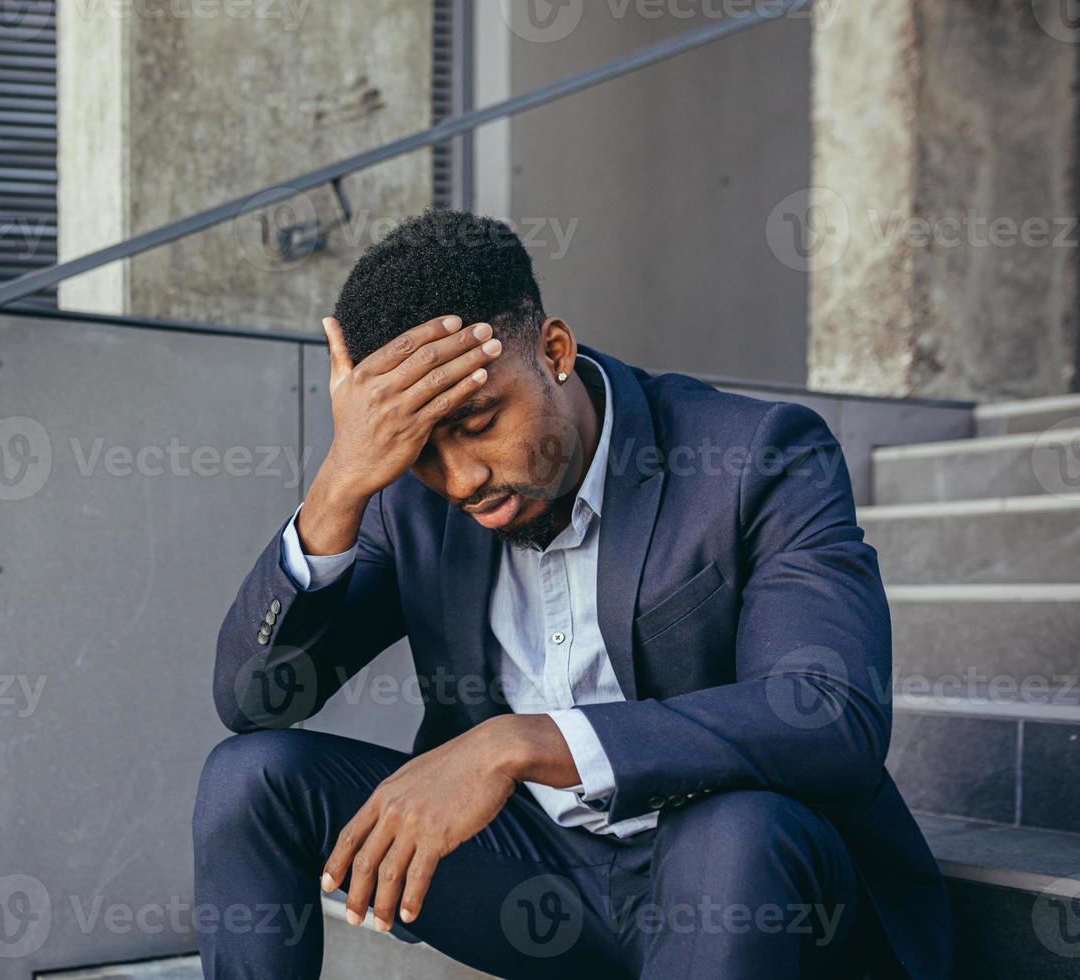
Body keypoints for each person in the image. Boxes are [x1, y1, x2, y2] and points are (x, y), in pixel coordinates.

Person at [192, 210, 950, 979]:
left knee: (730, 830)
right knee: (250, 778)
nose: (461, 481)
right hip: (545, 885)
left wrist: (518, 743)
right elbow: (254, 702)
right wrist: (338, 486)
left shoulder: (754, 456)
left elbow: (830, 713)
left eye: (480, 423)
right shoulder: (407, 500)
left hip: (745, 890)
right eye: (419, 453)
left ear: (555, 350)